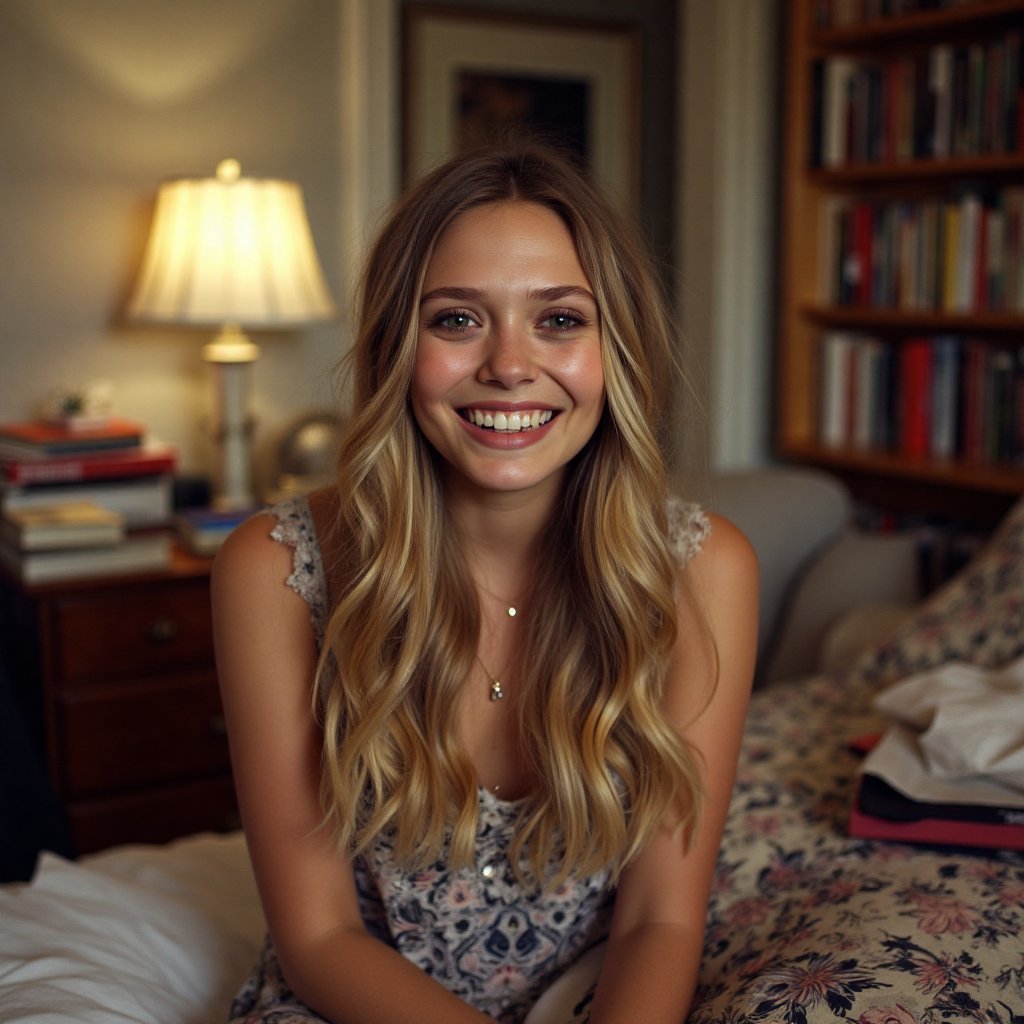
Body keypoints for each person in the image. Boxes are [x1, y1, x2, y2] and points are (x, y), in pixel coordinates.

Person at [211, 141, 758, 1024]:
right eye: (457, 320)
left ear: (615, 347)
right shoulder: (275, 568)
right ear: (398, 346)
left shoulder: (703, 569)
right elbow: (318, 940)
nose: (509, 365)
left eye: (560, 320)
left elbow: (659, 916)